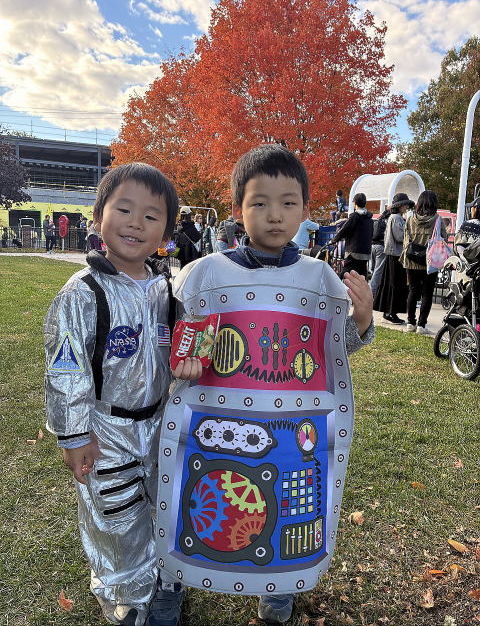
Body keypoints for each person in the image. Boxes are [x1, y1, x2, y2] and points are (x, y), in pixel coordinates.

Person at [153, 145, 374, 626]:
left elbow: (334, 350)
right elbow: (180, 337)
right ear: (238, 209)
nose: (275, 215)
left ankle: (280, 588)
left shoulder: (320, 279)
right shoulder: (205, 274)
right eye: (259, 203)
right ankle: (170, 582)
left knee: (291, 507)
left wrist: (360, 317)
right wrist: (183, 362)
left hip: (292, 433)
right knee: (191, 497)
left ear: (305, 209)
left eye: (288, 203)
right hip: (211, 425)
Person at [44, 163, 202, 626]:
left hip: (159, 422)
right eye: (124, 209)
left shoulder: (165, 289)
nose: (136, 223)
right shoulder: (83, 292)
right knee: (115, 515)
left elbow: (183, 346)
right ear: (98, 217)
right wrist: (74, 435)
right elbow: (67, 369)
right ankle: (125, 596)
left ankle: (164, 579)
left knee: (163, 504)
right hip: (106, 428)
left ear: (166, 233)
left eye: (151, 216)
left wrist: (190, 363)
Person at [400, 190, 447, 334]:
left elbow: (405, 239)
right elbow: (443, 239)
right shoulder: (437, 219)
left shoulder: (410, 219)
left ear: (419, 203)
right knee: (427, 293)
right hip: (430, 261)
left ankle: (410, 323)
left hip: (412, 260)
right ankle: (421, 325)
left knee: (413, 291)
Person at [373, 194, 412, 324]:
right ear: (399, 205)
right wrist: (409, 232)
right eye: (405, 204)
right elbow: (400, 237)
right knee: (395, 285)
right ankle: (391, 313)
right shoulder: (396, 218)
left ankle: (389, 312)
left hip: (392, 254)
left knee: (391, 284)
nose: (406, 207)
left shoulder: (393, 217)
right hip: (396, 255)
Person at [329, 193, 373, 278]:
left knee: (345, 274)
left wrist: (334, 240)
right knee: (361, 276)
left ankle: (338, 286)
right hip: (366, 252)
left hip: (354, 251)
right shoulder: (369, 219)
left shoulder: (355, 216)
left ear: (355, 203)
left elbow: (344, 230)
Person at [369, 207, 390, 297]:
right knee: (378, 270)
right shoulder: (387, 222)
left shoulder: (377, 221)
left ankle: (373, 288)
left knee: (373, 269)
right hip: (381, 247)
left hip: (372, 246)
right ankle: (372, 291)